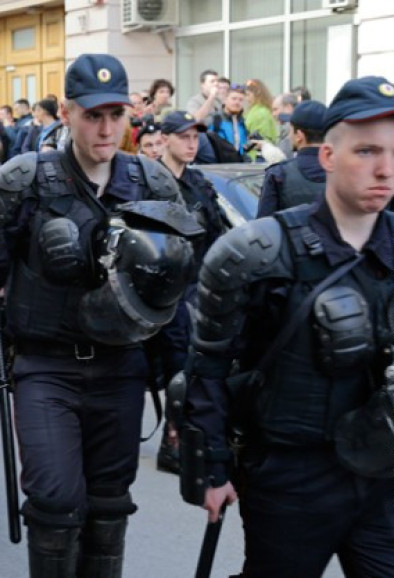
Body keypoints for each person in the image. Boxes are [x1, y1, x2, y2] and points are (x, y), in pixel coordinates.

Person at [0, 54, 198, 577]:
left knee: (109, 504)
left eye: (115, 115)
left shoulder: (152, 184)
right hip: (45, 367)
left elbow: (174, 293)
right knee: (56, 503)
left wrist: (181, 382)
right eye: (92, 115)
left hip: (121, 368)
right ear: (66, 113)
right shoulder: (24, 181)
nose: (105, 128)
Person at [181, 76, 394, 577]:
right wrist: (214, 468)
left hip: (392, 475)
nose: (385, 169)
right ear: (327, 157)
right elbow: (210, 364)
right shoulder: (261, 252)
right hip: (292, 476)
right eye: (368, 150)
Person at [155, 111, 228, 474]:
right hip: (161, 289)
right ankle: (171, 441)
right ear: (165, 138)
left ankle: (180, 438)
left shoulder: (199, 182)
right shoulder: (150, 180)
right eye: (183, 137)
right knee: (173, 367)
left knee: (191, 366)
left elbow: (215, 231)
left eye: (195, 137)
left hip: (196, 286)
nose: (191, 143)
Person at [257, 100, 328, 218]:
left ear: (299, 136)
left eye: (290, 130)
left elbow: (264, 227)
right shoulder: (343, 174)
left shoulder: (279, 174)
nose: (289, 136)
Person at [244, 78, 278, 145]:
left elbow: (262, 138)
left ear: (258, 94)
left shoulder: (260, 113)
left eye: (248, 95)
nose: (246, 98)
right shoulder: (256, 110)